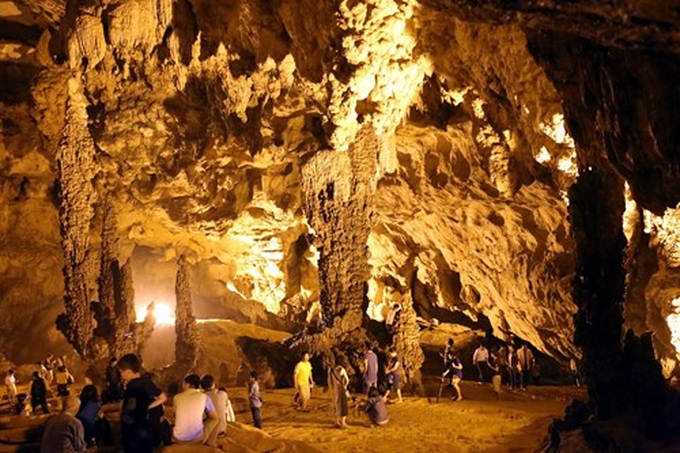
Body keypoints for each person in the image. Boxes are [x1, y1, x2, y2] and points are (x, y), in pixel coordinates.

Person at [117, 354, 167, 453]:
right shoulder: (147, 382)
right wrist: (148, 407)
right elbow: (163, 397)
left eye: (121, 373)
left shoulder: (132, 386)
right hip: (145, 429)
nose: (121, 376)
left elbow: (130, 407)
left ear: (128, 372)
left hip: (134, 430)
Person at [172, 374, 219, 446]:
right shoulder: (205, 397)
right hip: (197, 439)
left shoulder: (176, 397)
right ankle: (210, 443)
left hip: (178, 438)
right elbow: (214, 417)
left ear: (187, 384)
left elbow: (175, 416)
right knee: (216, 419)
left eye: (183, 384)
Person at [327, 358, 349, 428]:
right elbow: (347, 380)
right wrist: (345, 386)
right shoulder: (342, 370)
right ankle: (343, 422)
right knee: (343, 406)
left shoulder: (330, 370)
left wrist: (331, 389)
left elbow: (329, 382)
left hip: (334, 390)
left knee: (336, 406)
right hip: (341, 389)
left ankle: (336, 422)